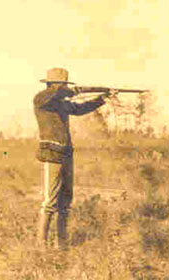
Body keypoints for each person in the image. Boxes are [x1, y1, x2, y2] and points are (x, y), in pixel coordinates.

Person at [33, 67, 117, 250]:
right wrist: (72, 90)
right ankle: (41, 244)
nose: (63, 88)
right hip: (52, 154)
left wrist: (102, 98)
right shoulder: (41, 99)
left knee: (65, 201)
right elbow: (53, 95)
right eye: (60, 85)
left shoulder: (60, 103)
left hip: (66, 154)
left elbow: (80, 109)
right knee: (50, 201)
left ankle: (60, 243)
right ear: (52, 85)